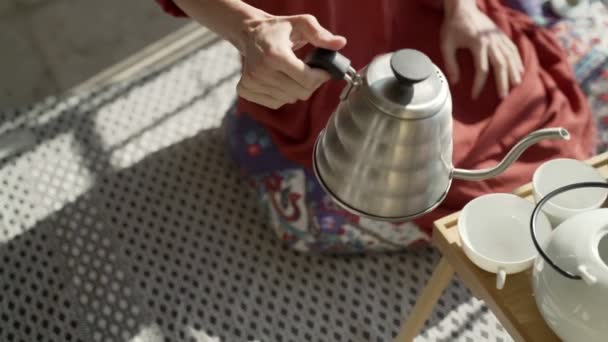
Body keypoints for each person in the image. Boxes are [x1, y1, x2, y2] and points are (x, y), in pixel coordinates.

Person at [156, 0, 596, 254]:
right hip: (316, 37)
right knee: (385, 176)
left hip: (431, 15)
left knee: (537, 128)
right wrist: (251, 28)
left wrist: (464, 9)